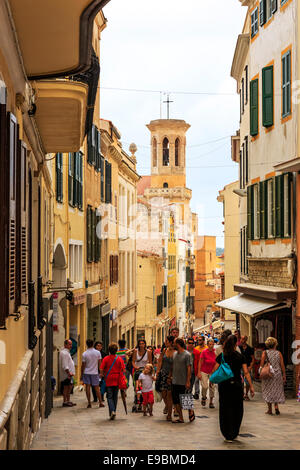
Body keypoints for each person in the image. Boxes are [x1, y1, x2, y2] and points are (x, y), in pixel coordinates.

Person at [212, 335, 255, 443]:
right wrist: (252, 386)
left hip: (224, 385)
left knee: (224, 408)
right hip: (236, 385)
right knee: (237, 408)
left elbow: (215, 369)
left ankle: (226, 433)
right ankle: (234, 432)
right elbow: (246, 372)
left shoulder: (222, 356)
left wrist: (211, 380)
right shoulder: (240, 357)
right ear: (236, 344)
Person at [260, 337, 286, 415]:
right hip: (277, 374)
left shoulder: (265, 352)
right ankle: (276, 407)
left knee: (268, 390)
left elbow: (261, 364)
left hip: (268, 374)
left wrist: (260, 371)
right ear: (275, 344)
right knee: (276, 391)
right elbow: (282, 365)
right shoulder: (279, 353)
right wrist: (284, 374)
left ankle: (270, 409)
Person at [170, 338, 194, 423]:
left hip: (183, 381)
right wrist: (171, 376)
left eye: (174, 343)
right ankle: (181, 418)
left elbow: (189, 368)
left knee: (186, 398)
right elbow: (173, 366)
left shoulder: (187, 355)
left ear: (178, 344)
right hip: (175, 381)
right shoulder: (174, 354)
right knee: (176, 400)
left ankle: (190, 412)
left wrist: (188, 381)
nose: (173, 344)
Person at [100, 342, 125, 420]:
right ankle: (113, 411)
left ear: (109, 350)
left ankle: (112, 411)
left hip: (109, 379)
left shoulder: (106, 358)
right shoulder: (119, 359)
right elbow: (123, 369)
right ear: (116, 350)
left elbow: (101, 369)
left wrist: (102, 374)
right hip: (117, 379)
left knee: (109, 396)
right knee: (115, 396)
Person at [155, 335, 175, 421]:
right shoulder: (164, 350)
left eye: (166, 341)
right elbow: (160, 361)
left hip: (172, 375)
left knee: (169, 394)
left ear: (170, 342)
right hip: (163, 374)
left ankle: (170, 414)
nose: (165, 342)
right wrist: (158, 372)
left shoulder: (176, 351)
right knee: (163, 393)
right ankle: (167, 405)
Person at [81, 339, 104, 408]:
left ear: (86, 344)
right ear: (93, 344)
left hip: (87, 372)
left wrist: (81, 374)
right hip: (95, 372)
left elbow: (83, 365)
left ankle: (89, 403)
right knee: (97, 388)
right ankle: (100, 402)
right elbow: (100, 364)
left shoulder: (84, 353)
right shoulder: (97, 353)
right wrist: (101, 372)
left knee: (88, 387)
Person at [198, 337, 216, 408]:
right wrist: (199, 372)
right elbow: (200, 362)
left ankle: (211, 401)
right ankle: (204, 397)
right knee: (205, 386)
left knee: (212, 386)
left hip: (213, 372)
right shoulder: (204, 352)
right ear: (207, 345)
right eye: (210, 344)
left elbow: (218, 362)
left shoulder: (215, 352)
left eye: (212, 344)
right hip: (204, 371)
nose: (211, 346)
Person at [59, 339, 76, 407]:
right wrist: (68, 373)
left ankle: (68, 401)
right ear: (65, 345)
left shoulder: (66, 352)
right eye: (69, 344)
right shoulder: (64, 353)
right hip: (67, 375)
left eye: (71, 344)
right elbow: (64, 365)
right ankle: (65, 401)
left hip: (69, 374)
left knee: (69, 387)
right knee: (66, 388)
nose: (71, 346)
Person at [239, 335, 255, 401]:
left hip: (248, 367)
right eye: (241, 339)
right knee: (241, 382)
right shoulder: (238, 348)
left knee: (249, 381)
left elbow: (253, 358)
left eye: (243, 339)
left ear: (246, 340)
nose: (242, 340)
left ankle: (246, 393)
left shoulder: (249, 348)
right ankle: (242, 394)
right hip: (240, 367)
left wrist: (251, 366)